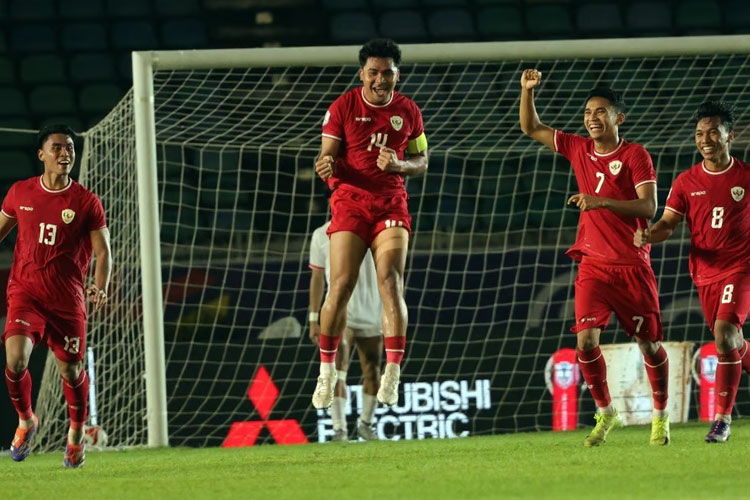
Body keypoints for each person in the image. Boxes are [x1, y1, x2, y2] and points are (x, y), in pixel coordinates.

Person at [519, 69, 670, 447]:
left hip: (632, 265)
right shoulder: (577, 148)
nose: (591, 118)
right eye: (588, 112)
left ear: (619, 117)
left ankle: (660, 415)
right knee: (585, 342)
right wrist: (527, 91)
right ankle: (606, 412)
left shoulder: (636, 155)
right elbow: (531, 127)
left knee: (649, 346)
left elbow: (650, 207)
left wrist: (601, 201)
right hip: (593, 265)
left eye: (601, 111)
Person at [312, 38, 428, 410]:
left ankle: (392, 373)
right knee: (341, 284)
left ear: (398, 75)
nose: (381, 79)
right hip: (350, 201)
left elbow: (422, 160)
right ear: (362, 73)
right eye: (374, 72)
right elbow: (326, 157)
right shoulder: (341, 107)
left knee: (390, 282)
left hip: (391, 201)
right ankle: (326, 373)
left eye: (388, 73)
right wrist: (325, 165)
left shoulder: (409, 111)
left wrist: (399, 166)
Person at [634, 100, 750, 443]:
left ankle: (721, 421)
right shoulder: (687, 181)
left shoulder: (746, 176)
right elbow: (668, 223)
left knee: (725, 335)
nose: (706, 138)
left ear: (729, 136)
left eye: (713, 131)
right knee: (733, 343)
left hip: (741, 268)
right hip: (704, 274)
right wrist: (648, 234)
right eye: (700, 133)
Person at [1, 124, 111, 468]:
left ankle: (76, 434)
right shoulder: (20, 193)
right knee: (15, 360)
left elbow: (103, 252)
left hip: (67, 301)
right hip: (26, 294)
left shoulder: (85, 201)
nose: (66, 154)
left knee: (71, 371)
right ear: (42, 154)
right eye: (58, 148)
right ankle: (26, 421)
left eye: (70, 149)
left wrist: (100, 285)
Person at [309, 220, 383, 441]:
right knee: (337, 371)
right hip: (341, 311)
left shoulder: (376, 229)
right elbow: (317, 277)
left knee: (373, 371)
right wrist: (314, 318)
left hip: (372, 309)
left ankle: (366, 424)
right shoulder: (321, 234)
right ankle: (339, 430)